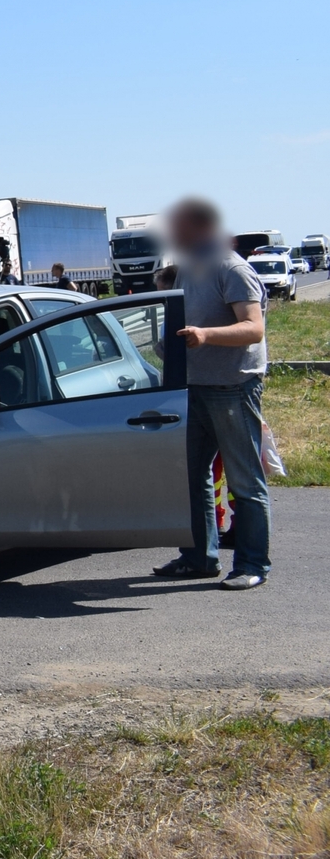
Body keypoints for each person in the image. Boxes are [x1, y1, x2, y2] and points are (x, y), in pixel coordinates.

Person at [152, 197, 271, 590]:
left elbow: (253, 328)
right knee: (192, 477)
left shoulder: (231, 268)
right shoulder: (188, 267)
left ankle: (252, 564)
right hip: (194, 387)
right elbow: (185, 320)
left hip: (231, 387)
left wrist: (205, 335)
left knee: (244, 481)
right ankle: (199, 558)